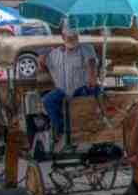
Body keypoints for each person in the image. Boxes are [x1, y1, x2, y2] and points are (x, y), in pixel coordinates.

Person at [39, 24, 101, 153]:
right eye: (70, 37)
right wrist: (41, 60)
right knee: (48, 100)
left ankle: (83, 133)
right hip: (64, 91)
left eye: (75, 37)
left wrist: (92, 77)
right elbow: (42, 62)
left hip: (84, 89)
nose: (73, 39)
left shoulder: (85, 48)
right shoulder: (55, 53)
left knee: (83, 95)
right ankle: (63, 131)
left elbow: (91, 63)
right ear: (63, 37)